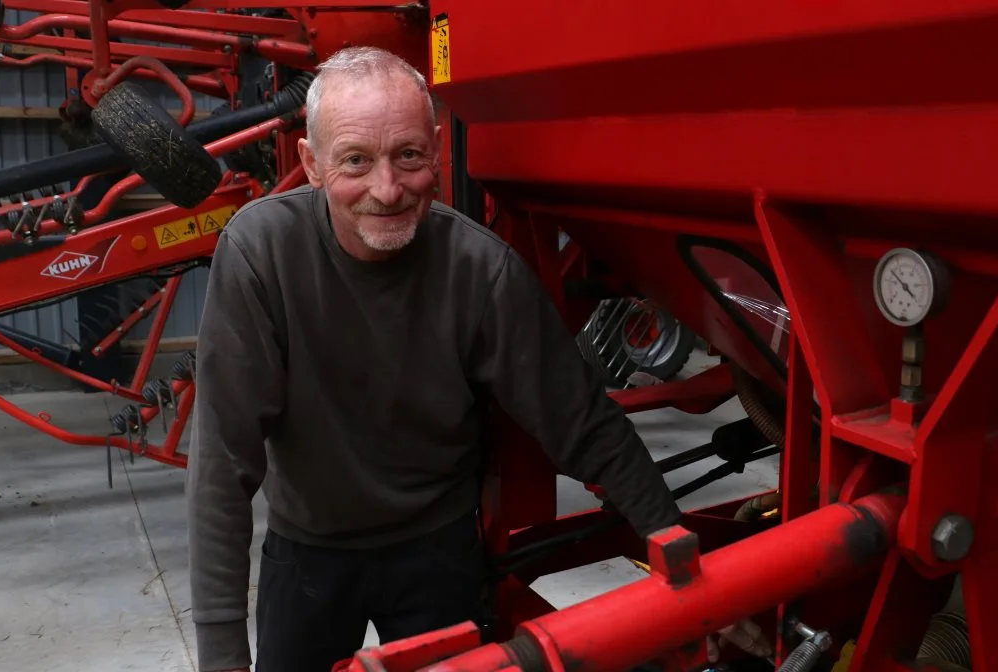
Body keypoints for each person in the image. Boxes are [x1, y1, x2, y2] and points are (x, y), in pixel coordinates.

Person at [186, 46, 767, 672]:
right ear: (312, 163)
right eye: (356, 160)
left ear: (436, 148)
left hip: (436, 550)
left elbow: (580, 422)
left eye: (408, 155)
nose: (386, 189)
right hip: (309, 552)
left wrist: (684, 557)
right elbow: (222, 462)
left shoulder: (480, 270)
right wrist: (221, 654)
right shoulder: (260, 254)